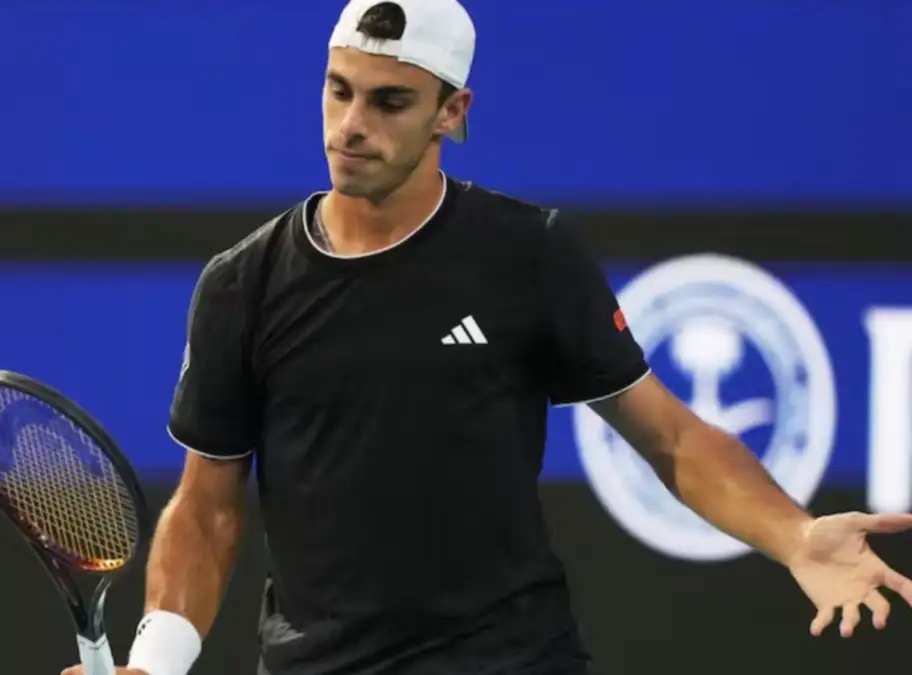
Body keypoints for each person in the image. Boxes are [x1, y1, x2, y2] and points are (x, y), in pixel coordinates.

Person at [64, 0, 912, 673]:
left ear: (452, 111)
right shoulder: (240, 284)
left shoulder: (529, 255)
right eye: (339, 89)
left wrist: (795, 535)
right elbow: (208, 506)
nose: (351, 124)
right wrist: (158, 660)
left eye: (389, 101)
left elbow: (673, 438)